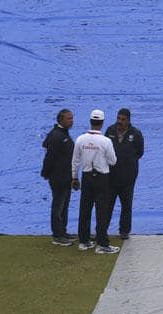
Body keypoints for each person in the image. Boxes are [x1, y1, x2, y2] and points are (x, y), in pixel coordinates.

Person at [71, 110, 119, 254]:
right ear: (102, 122)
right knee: (101, 210)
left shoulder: (80, 139)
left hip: (86, 177)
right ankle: (102, 244)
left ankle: (84, 241)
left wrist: (74, 177)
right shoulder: (106, 141)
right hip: (102, 178)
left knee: (84, 209)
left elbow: (75, 161)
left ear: (90, 121)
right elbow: (113, 161)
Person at [105, 108, 144, 240]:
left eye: (122, 119)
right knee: (107, 205)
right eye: (118, 119)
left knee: (126, 205)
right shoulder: (110, 131)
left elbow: (140, 152)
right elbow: (104, 149)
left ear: (128, 120)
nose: (120, 122)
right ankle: (102, 229)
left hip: (128, 178)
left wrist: (128, 163)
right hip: (111, 176)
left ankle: (124, 231)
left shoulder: (136, 134)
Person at [41, 109, 76, 246]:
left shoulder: (62, 134)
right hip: (58, 177)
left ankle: (63, 231)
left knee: (64, 205)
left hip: (65, 176)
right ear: (60, 120)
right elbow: (50, 157)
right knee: (58, 206)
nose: (71, 121)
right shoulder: (57, 136)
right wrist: (46, 173)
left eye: (72, 118)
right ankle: (57, 235)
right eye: (69, 118)